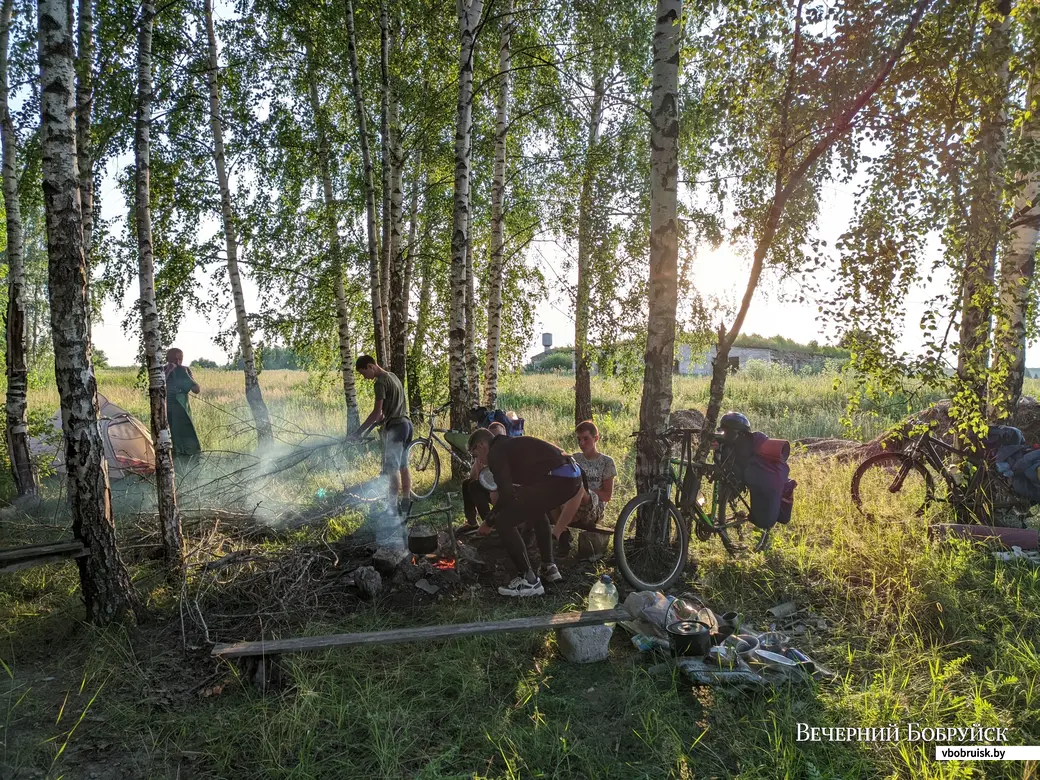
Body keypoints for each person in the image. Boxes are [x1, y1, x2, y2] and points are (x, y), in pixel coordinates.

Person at [467, 427, 582, 597]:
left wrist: (489, 521)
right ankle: (548, 567)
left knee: (503, 521)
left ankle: (529, 580)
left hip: (559, 477)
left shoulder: (496, 452)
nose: (480, 462)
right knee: (535, 509)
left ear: (481, 445)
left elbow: (505, 494)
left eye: (475, 455)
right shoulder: (507, 444)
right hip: (572, 476)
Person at [353, 355, 411, 514]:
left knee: (392, 469)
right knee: (403, 466)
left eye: (364, 373)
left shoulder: (380, 383)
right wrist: (379, 422)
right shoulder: (393, 376)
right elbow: (384, 413)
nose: (365, 378)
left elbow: (376, 412)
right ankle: (406, 500)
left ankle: (392, 507)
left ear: (371, 366)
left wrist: (359, 432)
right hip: (406, 425)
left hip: (396, 429)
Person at [556, 420, 617, 554]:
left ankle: (555, 535)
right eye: (579, 439)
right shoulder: (575, 458)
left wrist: (584, 491)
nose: (581, 443)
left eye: (585, 439)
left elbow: (607, 496)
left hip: (593, 508)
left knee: (579, 488)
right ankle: (563, 537)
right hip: (571, 503)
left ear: (596, 438)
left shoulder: (607, 462)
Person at [462, 421, 507, 527]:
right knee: (469, 484)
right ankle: (474, 522)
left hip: (517, 494)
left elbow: (502, 491)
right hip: (499, 488)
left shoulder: (501, 452)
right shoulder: (487, 455)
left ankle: (491, 525)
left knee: (475, 486)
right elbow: (475, 477)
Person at [164, 348, 202, 464]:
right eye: (174, 359)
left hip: (181, 410)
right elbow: (158, 387)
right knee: (168, 439)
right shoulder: (162, 370)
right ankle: (172, 461)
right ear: (167, 359)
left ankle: (190, 460)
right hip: (165, 411)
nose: (177, 362)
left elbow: (196, 390)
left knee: (186, 435)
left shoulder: (184, 370)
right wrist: (169, 371)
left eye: (180, 359)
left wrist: (187, 375)